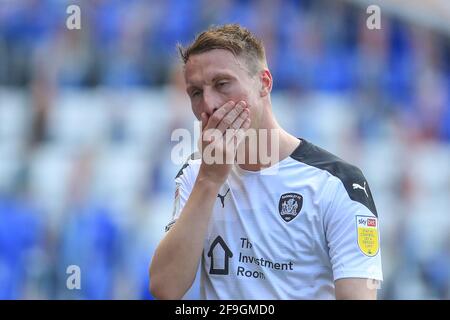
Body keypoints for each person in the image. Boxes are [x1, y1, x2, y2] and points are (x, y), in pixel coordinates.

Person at [149, 24, 382, 299]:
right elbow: (165, 287)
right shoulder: (196, 174)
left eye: (222, 84)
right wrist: (210, 180)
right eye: (196, 92)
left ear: (264, 83)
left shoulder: (339, 184)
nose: (209, 105)